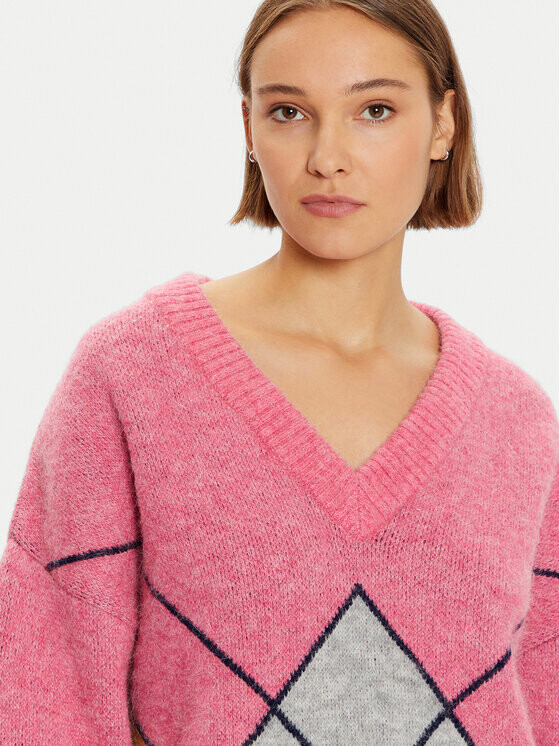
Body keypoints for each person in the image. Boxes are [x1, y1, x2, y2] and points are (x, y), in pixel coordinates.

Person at [0, 0, 557, 744]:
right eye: (290, 112)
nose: (328, 156)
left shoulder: (517, 421)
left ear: (444, 125)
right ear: (249, 129)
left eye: (375, 110)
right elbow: (48, 693)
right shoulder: (131, 376)